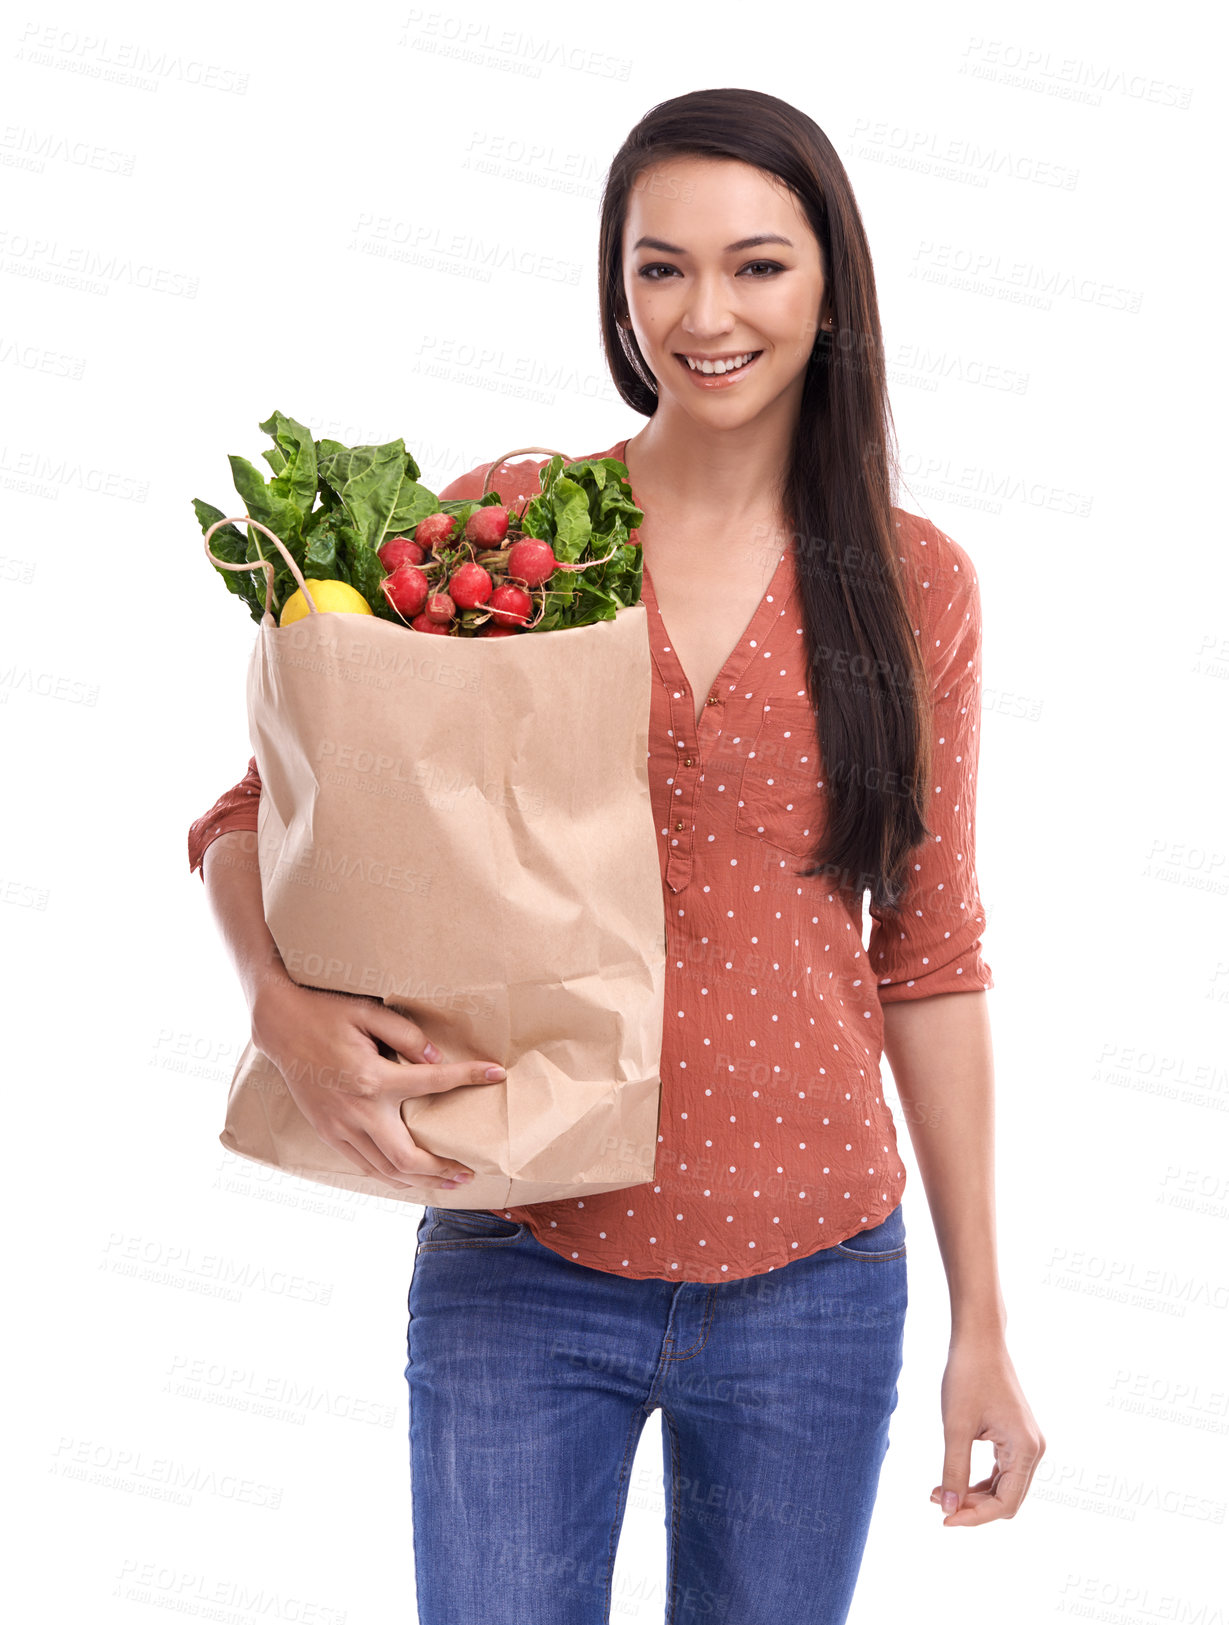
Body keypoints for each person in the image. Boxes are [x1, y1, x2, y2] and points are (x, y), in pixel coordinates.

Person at [191, 87, 1045, 1625]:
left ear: (831, 283)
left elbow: (926, 952)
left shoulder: (917, 584)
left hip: (817, 1275)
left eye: (756, 265)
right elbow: (256, 811)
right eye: (660, 267)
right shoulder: (508, 530)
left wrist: (981, 1316)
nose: (703, 313)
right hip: (524, 1249)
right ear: (617, 282)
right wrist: (279, 1003)